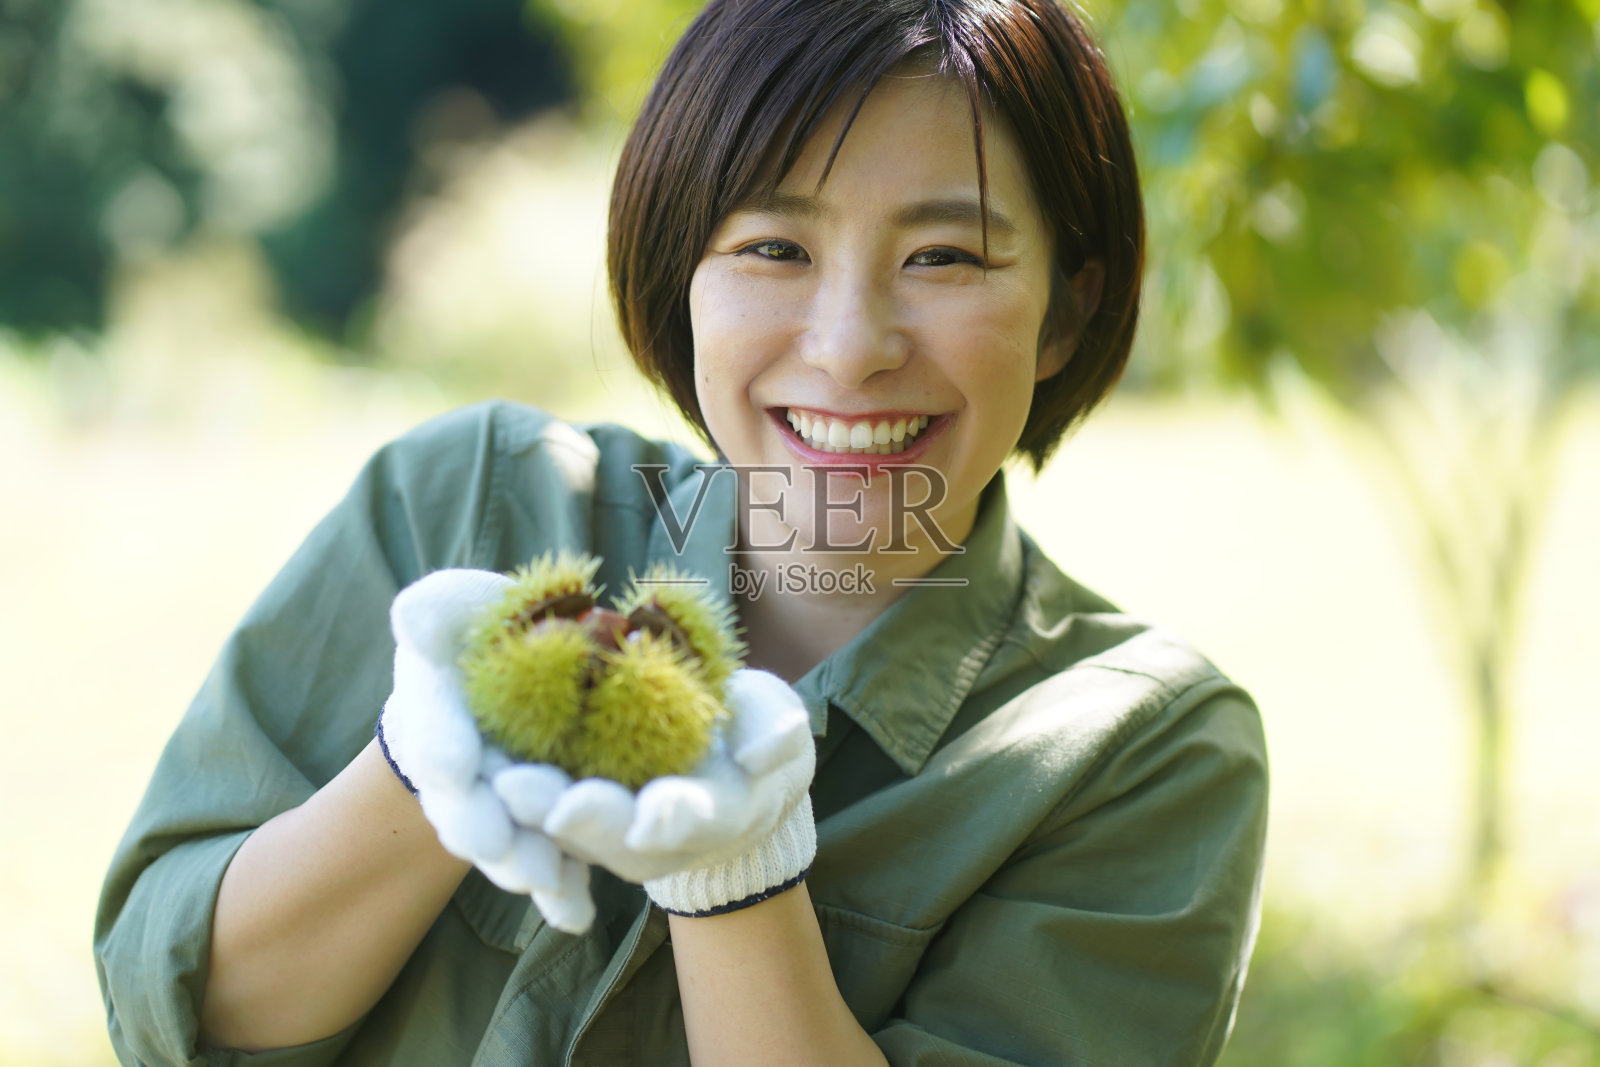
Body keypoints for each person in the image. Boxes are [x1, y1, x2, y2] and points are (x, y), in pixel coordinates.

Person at [94, 0, 1270, 1064]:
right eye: (774, 248)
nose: (850, 343)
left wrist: (738, 876)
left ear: (1067, 309)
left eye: (944, 256)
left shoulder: (1142, 750)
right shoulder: (471, 504)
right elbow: (184, 1006)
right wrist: (418, 772)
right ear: (683, 269)